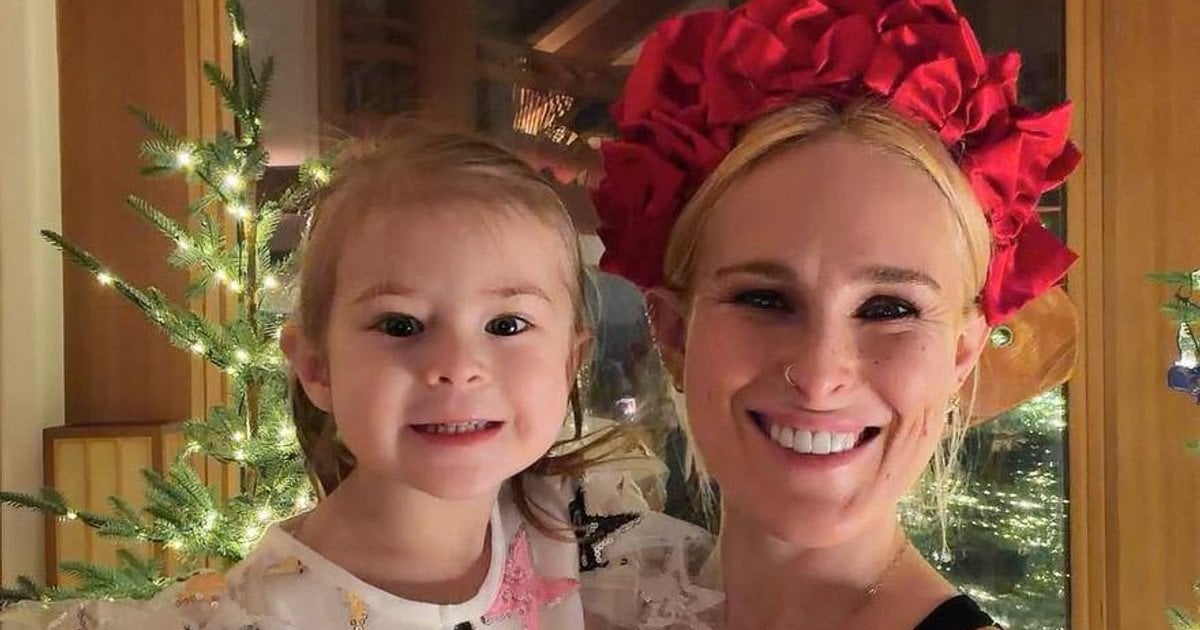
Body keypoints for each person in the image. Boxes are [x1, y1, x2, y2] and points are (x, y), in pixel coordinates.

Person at [1, 125, 693, 630]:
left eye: (507, 324)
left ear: (571, 360)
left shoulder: (589, 531)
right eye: (401, 324)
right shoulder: (254, 616)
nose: (457, 367)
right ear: (317, 367)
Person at [591, 0, 1081, 628]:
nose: (820, 375)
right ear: (674, 332)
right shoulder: (579, 607)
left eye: (889, 308)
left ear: (962, 353)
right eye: (764, 299)